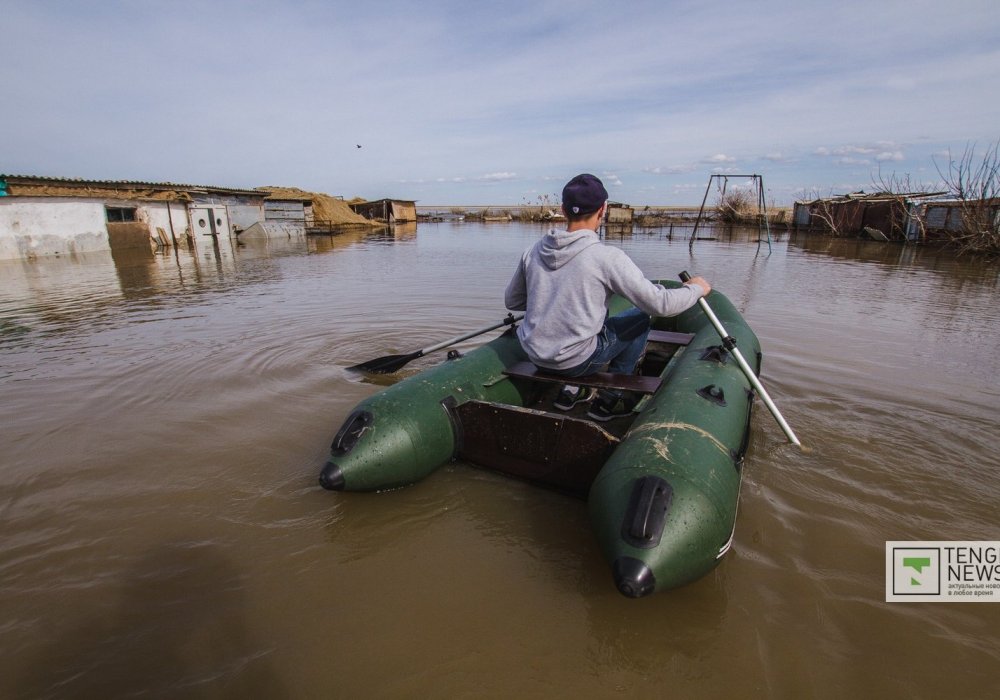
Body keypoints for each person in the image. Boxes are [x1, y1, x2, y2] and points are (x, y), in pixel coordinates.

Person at [504, 173, 711, 421]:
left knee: (601, 321)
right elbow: (660, 305)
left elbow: (513, 302)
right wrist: (696, 288)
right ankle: (609, 399)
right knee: (640, 318)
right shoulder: (606, 257)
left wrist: (548, 295)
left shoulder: (533, 251)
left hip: (535, 355)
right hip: (576, 361)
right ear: (603, 210)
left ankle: (570, 392)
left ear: (563, 209)